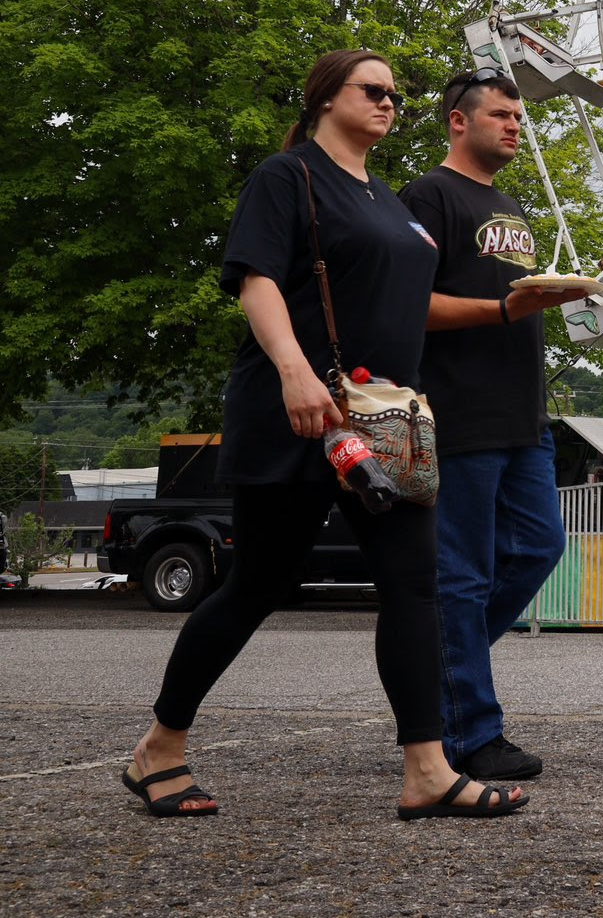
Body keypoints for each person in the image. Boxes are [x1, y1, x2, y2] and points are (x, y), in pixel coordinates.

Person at [124, 50, 525, 819]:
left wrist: (510, 308)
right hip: (299, 414)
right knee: (256, 587)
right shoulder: (290, 178)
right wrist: (293, 370)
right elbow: (257, 278)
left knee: (414, 586)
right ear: (323, 99)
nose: (388, 104)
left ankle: (427, 771)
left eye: (395, 97)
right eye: (373, 91)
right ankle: (160, 748)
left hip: (382, 420)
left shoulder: (384, 195)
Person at [400, 67, 574, 783]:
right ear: (457, 121)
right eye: (500, 114)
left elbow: (515, 303)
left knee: (540, 548)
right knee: (462, 579)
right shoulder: (427, 197)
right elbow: (411, 304)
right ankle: (471, 729)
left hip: (523, 416)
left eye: (518, 117)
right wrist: (506, 309)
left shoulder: (514, 207)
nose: (514, 126)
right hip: (459, 413)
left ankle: (436, 679)